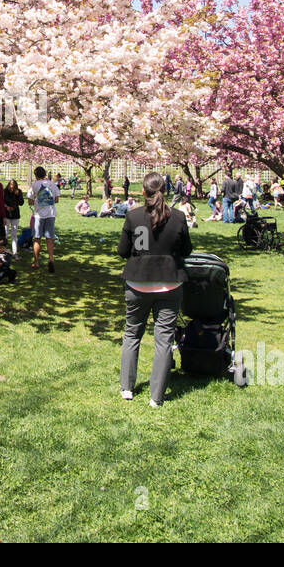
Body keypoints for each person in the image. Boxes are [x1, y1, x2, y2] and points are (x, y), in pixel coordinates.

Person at [118, 172, 192, 407]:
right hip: (169, 283)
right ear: (165, 189)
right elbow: (187, 250)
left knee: (132, 334)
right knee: (163, 340)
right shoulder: (179, 217)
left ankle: (127, 387)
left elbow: (122, 251)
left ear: (143, 191)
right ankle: (156, 396)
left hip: (138, 283)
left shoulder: (133, 216)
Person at [28, 165, 60, 272]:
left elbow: (30, 201)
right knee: (49, 238)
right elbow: (56, 200)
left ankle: (36, 261)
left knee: (37, 238)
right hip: (51, 215)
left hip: (38, 216)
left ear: (35, 175)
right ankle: (51, 259)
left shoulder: (34, 185)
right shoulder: (52, 184)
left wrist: (38, 201)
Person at [3, 179, 24, 257]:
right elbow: (2, 202)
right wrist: (6, 207)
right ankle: (3, 251)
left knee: (14, 234)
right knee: (5, 233)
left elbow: (21, 203)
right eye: (10, 185)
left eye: (13, 186)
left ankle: (15, 252)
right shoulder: (5, 192)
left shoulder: (18, 192)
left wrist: (18, 195)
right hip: (6, 214)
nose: (11, 187)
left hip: (15, 214)